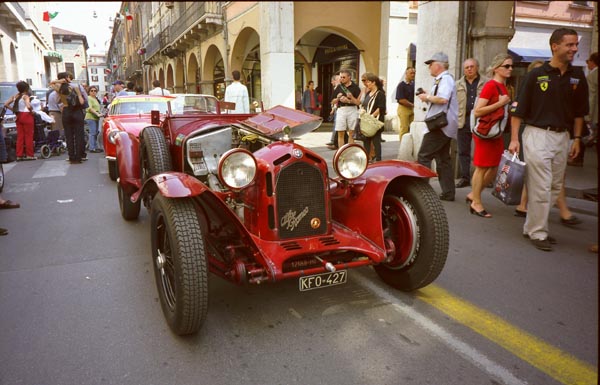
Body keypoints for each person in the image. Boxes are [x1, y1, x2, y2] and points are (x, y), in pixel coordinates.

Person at [508, 28, 589, 251]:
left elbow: (580, 112)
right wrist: (514, 139)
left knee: (554, 186)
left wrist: (577, 139)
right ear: (555, 46)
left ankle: (531, 226)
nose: (574, 49)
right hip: (537, 135)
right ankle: (538, 232)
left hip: (562, 137)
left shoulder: (577, 76)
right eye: (570, 45)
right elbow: (518, 110)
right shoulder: (536, 74)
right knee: (541, 185)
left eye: (575, 45)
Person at [465, 54, 513, 218]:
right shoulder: (491, 86)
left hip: (495, 133)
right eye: (506, 66)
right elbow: (478, 110)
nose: (510, 69)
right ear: (496, 68)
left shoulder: (503, 87)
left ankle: (474, 194)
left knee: (494, 168)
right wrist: (500, 103)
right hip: (486, 133)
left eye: (511, 66)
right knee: (482, 167)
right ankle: (476, 202)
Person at [416, 52, 458, 201]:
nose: (429, 67)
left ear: (439, 65)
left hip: (439, 126)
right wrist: (428, 96)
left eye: (431, 64)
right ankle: (448, 192)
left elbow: (443, 99)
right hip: (444, 126)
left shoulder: (445, 79)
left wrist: (426, 97)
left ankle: (420, 192)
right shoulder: (443, 80)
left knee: (424, 156)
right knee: (443, 159)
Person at [455, 58, 488, 188]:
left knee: (482, 150)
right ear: (464, 70)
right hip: (463, 120)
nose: (469, 69)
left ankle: (484, 177)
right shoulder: (457, 84)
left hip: (480, 121)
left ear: (477, 67)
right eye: (466, 67)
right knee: (463, 151)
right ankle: (465, 177)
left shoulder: (486, 83)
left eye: (471, 66)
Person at [52, 71, 88, 164]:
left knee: (69, 135)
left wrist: (59, 82)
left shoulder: (59, 88)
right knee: (79, 134)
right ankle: (79, 156)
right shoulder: (77, 86)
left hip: (66, 111)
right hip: (77, 111)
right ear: (68, 77)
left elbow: (56, 100)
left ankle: (71, 156)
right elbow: (85, 100)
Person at [3, 81, 36, 161]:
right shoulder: (25, 96)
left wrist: (14, 110)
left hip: (18, 116)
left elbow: (6, 104)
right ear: (26, 88)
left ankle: (19, 155)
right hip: (27, 116)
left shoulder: (15, 96)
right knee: (28, 136)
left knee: (20, 136)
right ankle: (29, 155)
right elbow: (28, 106)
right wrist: (32, 111)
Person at [360, 72, 387, 162]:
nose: (366, 84)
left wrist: (371, 117)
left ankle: (378, 159)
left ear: (374, 82)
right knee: (366, 141)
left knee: (376, 141)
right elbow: (364, 105)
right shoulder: (368, 93)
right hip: (367, 121)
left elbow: (381, 108)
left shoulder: (380, 94)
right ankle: (367, 159)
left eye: (368, 82)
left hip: (375, 121)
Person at [331, 69, 361, 146]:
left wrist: (349, 100)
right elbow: (332, 101)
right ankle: (341, 153)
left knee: (351, 132)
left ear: (349, 77)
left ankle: (350, 151)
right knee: (340, 132)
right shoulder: (339, 87)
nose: (341, 79)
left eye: (343, 77)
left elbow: (358, 102)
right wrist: (337, 98)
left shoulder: (355, 87)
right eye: (340, 77)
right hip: (341, 109)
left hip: (352, 109)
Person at [395, 67, 415, 139]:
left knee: (413, 128)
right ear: (406, 74)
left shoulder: (413, 84)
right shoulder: (401, 85)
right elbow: (401, 99)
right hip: (404, 108)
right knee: (404, 128)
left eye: (414, 73)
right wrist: (412, 105)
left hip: (412, 108)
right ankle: (403, 146)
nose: (413, 75)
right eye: (411, 73)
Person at [584, 52, 598, 147]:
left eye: (587, 61)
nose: (587, 63)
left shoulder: (592, 76)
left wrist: (588, 116)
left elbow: (591, 97)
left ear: (593, 62)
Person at [85, 86, 103, 153]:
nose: (93, 92)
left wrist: (99, 113)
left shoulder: (95, 99)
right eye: (91, 91)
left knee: (95, 133)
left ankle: (94, 147)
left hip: (95, 117)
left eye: (95, 91)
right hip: (90, 117)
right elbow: (89, 108)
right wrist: (97, 114)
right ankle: (92, 148)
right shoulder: (89, 98)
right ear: (89, 92)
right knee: (92, 133)